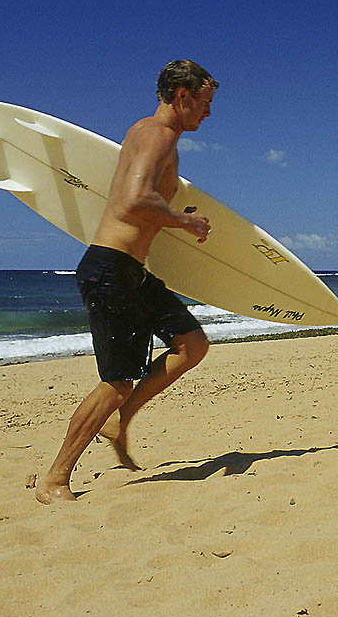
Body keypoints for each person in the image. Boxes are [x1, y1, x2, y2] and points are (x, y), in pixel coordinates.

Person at [36, 60, 218, 504]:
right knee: (116, 382)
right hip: (111, 268)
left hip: (131, 270)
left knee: (191, 344)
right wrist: (183, 222)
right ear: (183, 97)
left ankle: (121, 421)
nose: (208, 114)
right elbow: (135, 200)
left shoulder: (146, 133)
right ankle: (55, 478)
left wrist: (174, 217)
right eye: (205, 104)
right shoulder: (158, 135)